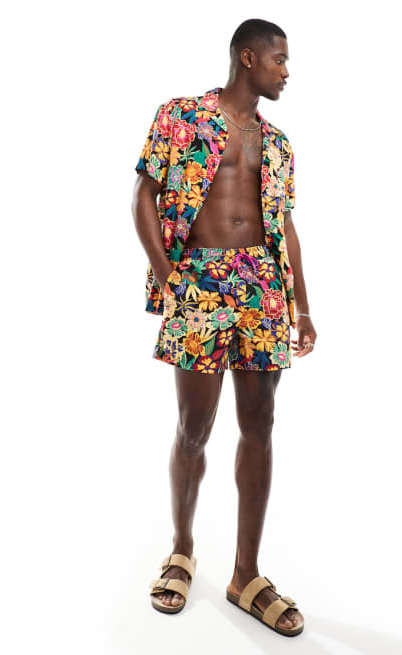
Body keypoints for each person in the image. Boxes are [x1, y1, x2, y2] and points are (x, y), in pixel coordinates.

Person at [131, 18, 317, 637]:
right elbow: (144, 196)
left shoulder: (279, 144)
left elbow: (284, 226)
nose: (287, 72)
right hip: (199, 282)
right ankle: (181, 552)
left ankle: (246, 576)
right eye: (280, 60)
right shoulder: (180, 116)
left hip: (261, 286)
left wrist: (302, 307)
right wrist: (170, 278)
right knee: (194, 426)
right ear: (248, 58)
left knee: (260, 424)